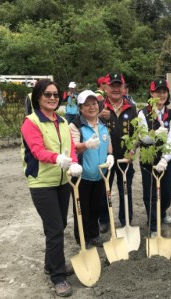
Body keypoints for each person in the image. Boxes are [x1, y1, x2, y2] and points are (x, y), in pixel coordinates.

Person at [21, 79, 82, 297]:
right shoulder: (31, 122)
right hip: (42, 183)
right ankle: (58, 276)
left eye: (56, 94)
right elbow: (37, 151)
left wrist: (73, 162)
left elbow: (71, 147)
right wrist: (57, 159)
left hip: (62, 180)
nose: (52, 98)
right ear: (38, 97)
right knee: (55, 228)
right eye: (47, 94)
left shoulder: (63, 121)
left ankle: (51, 263)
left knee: (58, 225)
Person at [69, 90, 114, 247]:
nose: (91, 107)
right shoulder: (76, 126)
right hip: (82, 177)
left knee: (96, 207)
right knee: (82, 210)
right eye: (87, 105)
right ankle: (82, 238)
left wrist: (110, 155)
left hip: (100, 174)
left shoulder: (101, 124)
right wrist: (86, 145)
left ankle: (94, 235)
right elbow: (73, 147)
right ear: (80, 108)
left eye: (94, 104)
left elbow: (107, 141)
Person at [98, 72, 137, 233]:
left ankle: (125, 219)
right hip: (106, 157)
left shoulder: (131, 108)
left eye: (118, 85)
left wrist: (132, 150)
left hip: (125, 157)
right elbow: (86, 125)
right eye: (112, 85)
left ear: (123, 87)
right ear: (105, 87)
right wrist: (99, 116)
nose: (115, 89)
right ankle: (104, 220)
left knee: (125, 189)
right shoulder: (99, 107)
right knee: (104, 189)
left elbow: (137, 133)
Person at [138, 79, 171, 237]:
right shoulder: (142, 113)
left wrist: (164, 160)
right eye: (157, 92)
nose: (160, 95)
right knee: (150, 193)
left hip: (165, 159)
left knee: (166, 192)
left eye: (163, 91)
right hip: (148, 159)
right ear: (151, 93)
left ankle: (162, 213)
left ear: (167, 94)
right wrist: (155, 135)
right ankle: (153, 225)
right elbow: (142, 137)